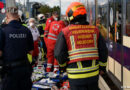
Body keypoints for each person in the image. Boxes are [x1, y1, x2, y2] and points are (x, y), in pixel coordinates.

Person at [54, 2, 108, 90]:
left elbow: (59, 54)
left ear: (71, 16)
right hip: (93, 75)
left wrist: (63, 67)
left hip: (75, 76)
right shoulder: (95, 30)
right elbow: (103, 51)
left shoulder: (65, 32)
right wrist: (102, 68)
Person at [0, 7, 34, 90]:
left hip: (9, 73)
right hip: (25, 71)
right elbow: (31, 52)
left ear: (7, 16)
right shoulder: (26, 30)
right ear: (18, 16)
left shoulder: (3, 31)